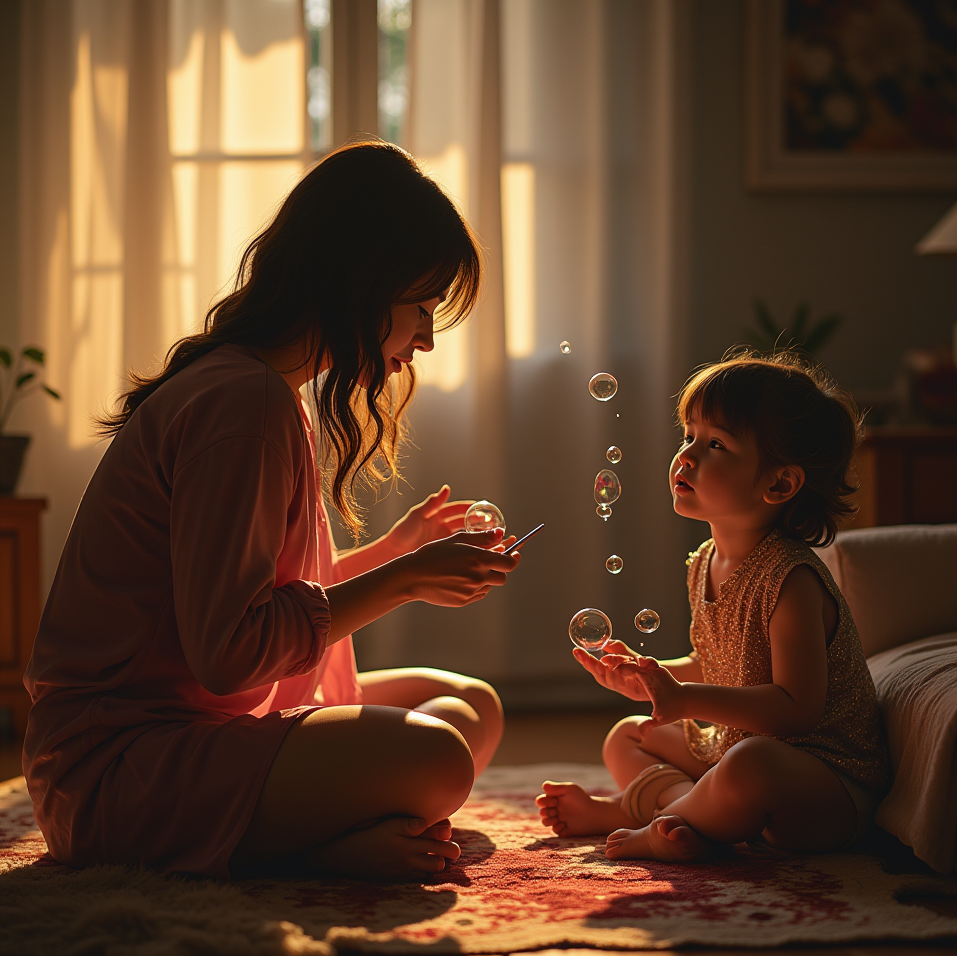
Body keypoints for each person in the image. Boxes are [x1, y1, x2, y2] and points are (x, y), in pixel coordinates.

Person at [23, 141, 518, 883]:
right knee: (438, 754)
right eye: (420, 306)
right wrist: (407, 579)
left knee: (466, 701)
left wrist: (394, 553)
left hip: (178, 738)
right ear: (360, 283)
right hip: (119, 773)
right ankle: (310, 848)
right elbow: (229, 656)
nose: (426, 338)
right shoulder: (243, 403)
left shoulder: (259, 390)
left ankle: (335, 818)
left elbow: (245, 600)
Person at [537, 352, 889, 863]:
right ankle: (688, 815)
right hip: (734, 748)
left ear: (779, 484)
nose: (687, 456)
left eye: (716, 444)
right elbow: (718, 668)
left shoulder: (791, 580)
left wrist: (685, 700)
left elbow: (796, 709)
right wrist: (651, 681)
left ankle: (648, 814)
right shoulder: (704, 561)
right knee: (628, 736)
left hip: (820, 784)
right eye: (688, 437)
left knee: (752, 763)